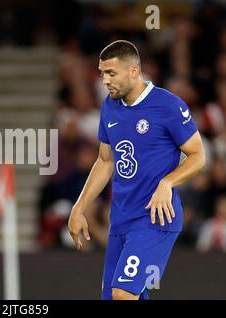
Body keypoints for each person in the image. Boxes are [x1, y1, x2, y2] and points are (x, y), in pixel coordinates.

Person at [68, 40, 206, 300]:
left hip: (154, 220)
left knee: (123, 294)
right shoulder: (109, 106)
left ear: (134, 71)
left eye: (111, 73)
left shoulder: (168, 105)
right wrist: (79, 207)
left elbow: (198, 156)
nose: (105, 81)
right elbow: (105, 161)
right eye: (101, 73)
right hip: (120, 220)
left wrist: (167, 183)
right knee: (116, 297)